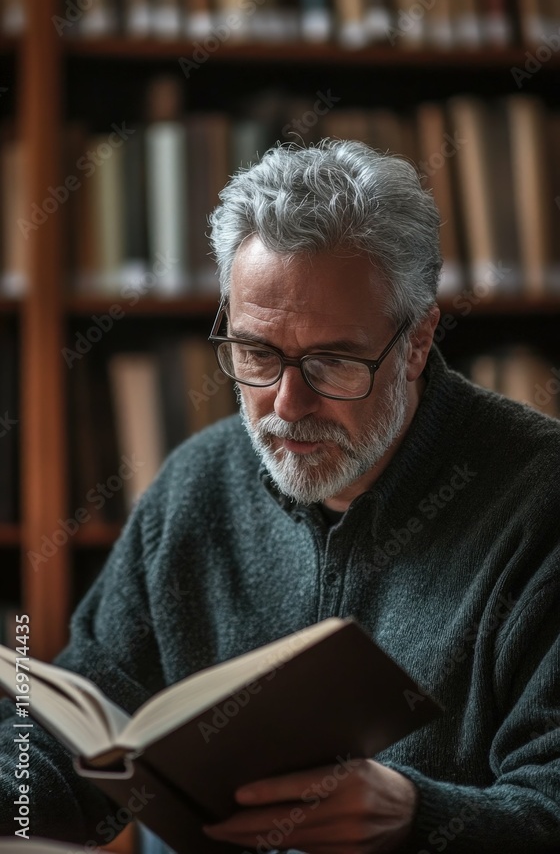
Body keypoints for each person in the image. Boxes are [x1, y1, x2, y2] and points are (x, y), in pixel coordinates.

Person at [1, 139, 560, 853]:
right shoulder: (197, 485)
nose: (286, 405)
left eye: (331, 360)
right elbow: (79, 742)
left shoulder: (540, 504)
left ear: (418, 341)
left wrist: (414, 818)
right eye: (256, 354)